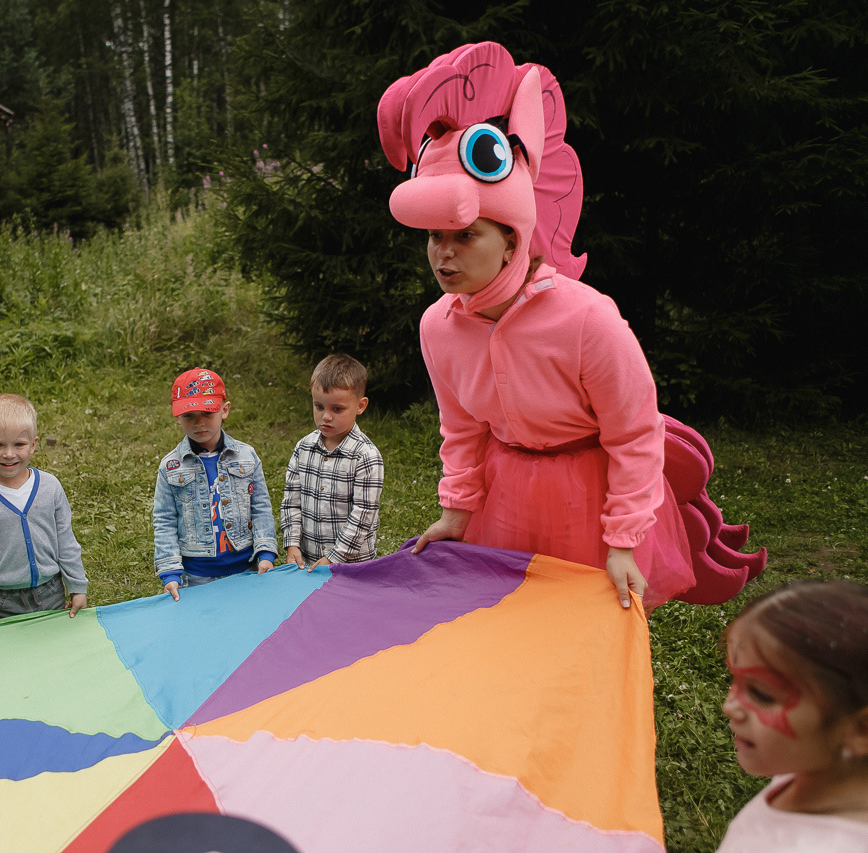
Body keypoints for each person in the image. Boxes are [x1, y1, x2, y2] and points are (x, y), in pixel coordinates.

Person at [376, 42, 764, 609]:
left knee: (584, 631)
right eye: (434, 237)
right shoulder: (438, 325)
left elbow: (634, 433)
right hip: (506, 495)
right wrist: (457, 513)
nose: (444, 253)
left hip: (589, 496)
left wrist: (623, 541)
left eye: (465, 236)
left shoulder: (586, 317)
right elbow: (461, 429)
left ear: (512, 239)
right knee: (509, 626)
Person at [716, 581, 868, 851]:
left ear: (861, 730)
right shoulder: (806, 775)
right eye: (735, 680)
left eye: (762, 694)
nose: (729, 706)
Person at [0, 394, 88, 637]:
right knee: (11, 656)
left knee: (56, 647)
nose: (9, 454)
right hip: (4, 602)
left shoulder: (50, 487)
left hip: (51, 593)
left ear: (33, 444)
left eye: (19, 444)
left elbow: (66, 541)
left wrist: (77, 586)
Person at [154, 368, 277, 601]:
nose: (199, 423)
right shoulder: (170, 467)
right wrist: (170, 572)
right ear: (177, 417)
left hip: (246, 569)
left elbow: (261, 507)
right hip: (196, 576)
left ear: (225, 410)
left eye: (207, 413)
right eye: (189, 416)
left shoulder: (247, 457)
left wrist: (266, 552)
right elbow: (164, 520)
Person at [280, 354, 384, 570]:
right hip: (308, 561)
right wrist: (292, 543)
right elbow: (291, 500)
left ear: (360, 406)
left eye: (337, 409)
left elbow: (363, 515)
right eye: (319, 406)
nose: (326, 416)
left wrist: (334, 557)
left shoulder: (366, 456)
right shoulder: (303, 448)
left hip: (352, 566)